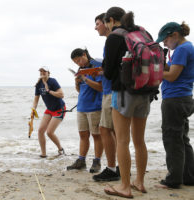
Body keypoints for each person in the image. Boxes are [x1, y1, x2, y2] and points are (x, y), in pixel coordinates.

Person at [103, 7, 152, 198]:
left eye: (107, 23)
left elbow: (108, 72)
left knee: (122, 140)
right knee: (140, 141)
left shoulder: (114, 37)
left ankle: (125, 186)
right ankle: (139, 181)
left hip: (123, 93)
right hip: (145, 91)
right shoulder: (142, 32)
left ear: (111, 20)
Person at [155, 22, 194, 189]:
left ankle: (174, 179)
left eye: (165, 39)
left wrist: (154, 72)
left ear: (174, 35)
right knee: (182, 139)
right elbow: (176, 72)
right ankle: (189, 176)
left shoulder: (182, 49)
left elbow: (171, 76)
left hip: (175, 99)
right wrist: (164, 65)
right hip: (185, 97)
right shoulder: (188, 48)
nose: (164, 43)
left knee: (172, 139)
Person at [67, 48, 104, 173]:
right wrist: (77, 83)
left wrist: (85, 79)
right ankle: (81, 161)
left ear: (84, 54)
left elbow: (101, 87)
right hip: (82, 106)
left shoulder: (97, 66)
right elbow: (80, 90)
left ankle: (97, 161)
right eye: (76, 62)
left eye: (79, 60)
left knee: (96, 135)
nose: (79, 64)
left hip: (95, 106)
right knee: (83, 135)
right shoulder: (80, 70)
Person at [93, 13, 120, 182]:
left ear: (107, 22)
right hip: (118, 90)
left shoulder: (112, 40)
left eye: (97, 24)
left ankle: (111, 168)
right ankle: (120, 166)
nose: (96, 27)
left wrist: (102, 71)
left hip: (112, 91)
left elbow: (110, 71)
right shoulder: (123, 38)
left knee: (105, 129)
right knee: (118, 132)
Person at [32, 66, 65, 158]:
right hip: (49, 109)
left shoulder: (52, 81)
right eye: (41, 71)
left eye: (44, 71)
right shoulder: (38, 84)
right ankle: (43, 154)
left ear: (48, 73)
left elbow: (62, 95)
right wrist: (33, 110)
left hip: (59, 109)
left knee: (49, 132)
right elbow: (36, 100)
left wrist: (49, 91)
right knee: (40, 130)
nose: (42, 72)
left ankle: (60, 149)